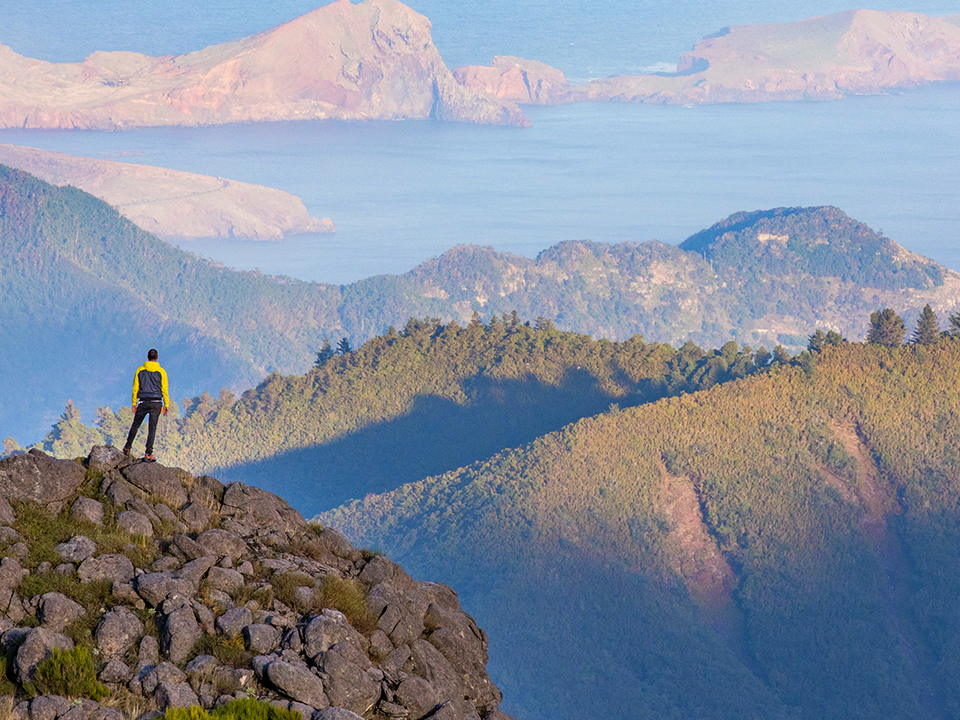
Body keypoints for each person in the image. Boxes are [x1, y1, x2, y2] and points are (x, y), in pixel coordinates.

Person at [122, 348, 169, 462]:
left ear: (147, 357)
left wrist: (134, 403)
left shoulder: (140, 370)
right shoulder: (161, 372)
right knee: (152, 428)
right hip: (156, 402)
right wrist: (166, 404)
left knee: (136, 425)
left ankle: (127, 447)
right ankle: (148, 454)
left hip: (143, 401)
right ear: (157, 358)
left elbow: (135, 388)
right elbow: (165, 390)